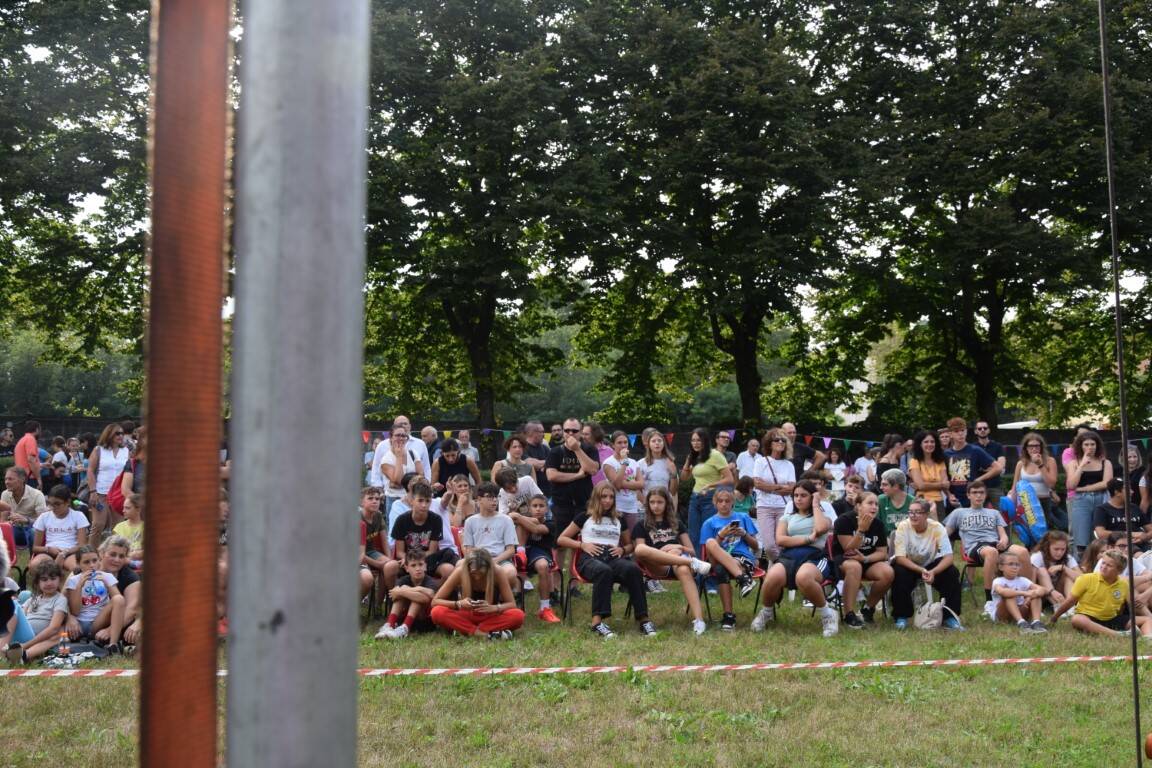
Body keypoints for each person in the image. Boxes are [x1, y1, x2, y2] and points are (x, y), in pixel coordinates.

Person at [557, 480, 656, 638]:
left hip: (612, 557)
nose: (608, 500)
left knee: (633, 570)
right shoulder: (584, 517)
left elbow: (630, 544)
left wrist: (623, 549)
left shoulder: (619, 519)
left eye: (611, 497)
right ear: (596, 497)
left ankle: (644, 620)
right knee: (604, 571)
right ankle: (597, 622)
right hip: (589, 559)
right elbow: (561, 539)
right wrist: (582, 545)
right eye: (604, 496)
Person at [751, 480, 838, 637]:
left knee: (804, 577)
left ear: (812, 497)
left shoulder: (824, 517)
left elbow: (820, 529)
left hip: (815, 557)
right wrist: (808, 539)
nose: (798, 499)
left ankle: (828, 614)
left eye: (803, 495)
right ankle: (767, 612)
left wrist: (816, 504)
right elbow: (781, 540)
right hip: (789, 556)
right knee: (772, 577)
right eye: (796, 495)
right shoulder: (787, 518)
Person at [630, 487, 711, 635]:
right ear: (647, 504)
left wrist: (675, 546)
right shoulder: (641, 525)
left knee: (683, 568)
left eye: (660, 502)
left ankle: (699, 620)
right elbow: (640, 554)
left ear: (667, 503)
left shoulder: (676, 523)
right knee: (640, 549)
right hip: (657, 564)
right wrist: (664, 552)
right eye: (652, 502)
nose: (656, 506)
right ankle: (690, 563)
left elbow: (691, 551)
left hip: (679, 563)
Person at [890, 498, 963, 630]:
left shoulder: (937, 527)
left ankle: (949, 616)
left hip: (931, 564)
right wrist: (921, 570)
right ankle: (901, 616)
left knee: (951, 572)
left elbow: (948, 557)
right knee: (899, 572)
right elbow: (900, 557)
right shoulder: (903, 526)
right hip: (909, 563)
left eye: (918, 512)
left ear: (926, 514)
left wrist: (933, 572)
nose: (913, 516)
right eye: (911, 512)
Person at [943, 480, 1013, 608]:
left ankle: (1026, 598)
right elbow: (944, 533)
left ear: (986, 495)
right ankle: (990, 600)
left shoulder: (994, 513)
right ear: (968, 495)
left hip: (995, 544)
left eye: (981, 493)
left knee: (1021, 551)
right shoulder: (959, 512)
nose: (978, 496)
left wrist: (1004, 541)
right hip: (975, 547)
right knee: (991, 552)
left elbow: (1003, 534)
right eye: (974, 493)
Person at [1051, 550, 1152, 637]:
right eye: (1103, 563)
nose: (1103, 567)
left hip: (1112, 618)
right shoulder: (1086, 579)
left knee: (1147, 620)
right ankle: (1117, 635)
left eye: (1109, 565)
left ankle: (1148, 638)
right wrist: (1054, 618)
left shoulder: (1124, 584)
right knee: (1077, 619)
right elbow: (1069, 601)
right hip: (1089, 618)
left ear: (1119, 570)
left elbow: (1133, 605)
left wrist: (1143, 599)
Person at [429, 549, 525, 639]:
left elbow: (512, 604)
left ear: (489, 569)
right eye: (474, 573)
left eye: (482, 574)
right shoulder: (460, 571)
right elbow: (435, 601)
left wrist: (494, 608)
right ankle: (483, 634)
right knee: (437, 612)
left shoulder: (498, 572)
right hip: (465, 615)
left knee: (518, 615)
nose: (478, 577)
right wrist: (458, 604)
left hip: (490, 617)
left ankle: (464, 631)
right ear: (468, 568)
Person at [545, 418, 600, 573]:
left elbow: (593, 469)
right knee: (559, 545)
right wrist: (576, 475)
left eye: (574, 431)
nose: (570, 433)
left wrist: (577, 450)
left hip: (583, 504)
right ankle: (556, 585)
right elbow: (551, 475)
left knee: (578, 544)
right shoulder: (555, 451)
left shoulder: (589, 449)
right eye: (567, 430)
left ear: (581, 432)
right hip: (561, 504)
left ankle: (574, 582)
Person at [831, 491, 893, 629]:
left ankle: (867, 609)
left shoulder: (878, 524)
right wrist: (861, 531)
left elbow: (882, 553)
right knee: (855, 567)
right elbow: (849, 550)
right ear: (858, 505)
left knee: (887, 572)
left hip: (867, 560)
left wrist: (865, 558)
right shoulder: (844, 520)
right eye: (870, 503)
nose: (875, 507)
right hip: (845, 561)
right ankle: (849, 614)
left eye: (876, 504)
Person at [701, 488, 760, 630]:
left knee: (722, 570)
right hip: (717, 558)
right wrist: (721, 535)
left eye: (727, 501)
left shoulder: (743, 517)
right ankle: (744, 579)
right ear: (715, 503)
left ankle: (728, 616)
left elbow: (756, 546)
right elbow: (707, 553)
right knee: (710, 542)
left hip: (741, 558)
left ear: (733, 502)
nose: (724, 504)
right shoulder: (709, 523)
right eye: (720, 501)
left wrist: (744, 534)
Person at [387, 480, 451, 589]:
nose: (424, 505)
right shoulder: (402, 520)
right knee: (389, 567)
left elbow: (432, 550)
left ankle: (432, 595)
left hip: (428, 560)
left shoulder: (436, 519)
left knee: (448, 570)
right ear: (412, 501)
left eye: (427, 501)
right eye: (420, 500)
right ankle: (395, 596)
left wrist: (419, 561)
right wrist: (409, 560)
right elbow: (399, 552)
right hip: (407, 560)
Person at [4, 560, 69, 664]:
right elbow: (22, 617)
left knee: (14, 605)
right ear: (38, 583)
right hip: (21, 635)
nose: (49, 583)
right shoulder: (32, 599)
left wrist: (27, 645)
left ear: (59, 580)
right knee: (15, 603)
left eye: (53, 578)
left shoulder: (60, 599)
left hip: (33, 637)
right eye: (44, 579)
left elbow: (53, 628)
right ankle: (6, 650)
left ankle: (21, 655)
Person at [509, 494, 560, 622]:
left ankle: (544, 608)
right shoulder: (526, 519)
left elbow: (537, 529)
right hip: (522, 552)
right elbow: (509, 517)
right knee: (522, 525)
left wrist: (519, 517)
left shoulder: (551, 523)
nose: (538, 509)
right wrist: (521, 518)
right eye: (535, 506)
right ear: (530, 509)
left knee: (543, 566)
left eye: (541, 506)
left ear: (547, 509)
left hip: (540, 552)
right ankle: (520, 553)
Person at [64, 546, 125, 651]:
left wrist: (107, 583)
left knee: (118, 599)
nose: (92, 565)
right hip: (80, 624)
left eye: (94, 560)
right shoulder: (74, 580)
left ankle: (113, 645)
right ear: (79, 564)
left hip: (98, 622)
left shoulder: (107, 576)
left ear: (99, 560)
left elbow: (120, 601)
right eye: (86, 562)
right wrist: (79, 586)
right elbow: (75, 611)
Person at [461, 481, 519, 592]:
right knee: (459, 566)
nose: (494, 500)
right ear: (479, 499)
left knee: (510, 573)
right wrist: (479, 560)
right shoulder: (470, 521)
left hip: (500, 559)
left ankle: (501, 599)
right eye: (489, 497)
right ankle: (468, 600)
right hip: (477, 558)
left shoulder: (506, 520)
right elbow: (468, 549)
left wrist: (494, 561)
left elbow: (511, 550)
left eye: (495, 497)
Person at [1064, 429, 1112, 555]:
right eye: (1086, 444)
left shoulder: (1105, 462)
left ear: (1097, 445)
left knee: (1099, 537)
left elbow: (1106, 483)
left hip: (1101, 499)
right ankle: (1081, 568)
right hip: (1081, 501)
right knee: (1081, 539)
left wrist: (1083, 488)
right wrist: (1082, 466)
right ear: (1080, 446)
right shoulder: (1074, 463)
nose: (1090, 447)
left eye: (1092, 444)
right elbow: (1071, 485)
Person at [375, 548, 442, 639]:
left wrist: (403, 591)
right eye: (413, 565)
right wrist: (406, 592)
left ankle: (405, 629)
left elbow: (426, 598)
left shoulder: (430, 581)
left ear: (425, 566)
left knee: (416, 597)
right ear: (406, 568)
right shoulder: (404, 580)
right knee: (403, 596)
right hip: (402, 619)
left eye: (421, 564)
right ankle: (389, 625)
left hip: (424, 622)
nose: (418, 568)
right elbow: (394, 595)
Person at [752, 427, 795, 562]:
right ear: (770, 443)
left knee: (780, 544)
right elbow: (758, 484)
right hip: (764, 507)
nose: (781, 442)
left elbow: (791, 489)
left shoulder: (789, 464)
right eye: (777, 439)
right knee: (770, 545)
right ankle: (784, 567)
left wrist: (769, 487)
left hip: (784, 507)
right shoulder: (761, 462)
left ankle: (776, 576)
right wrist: (780, 487)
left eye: (783, 440)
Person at [86, 423, 130, 548]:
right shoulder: (99, 450)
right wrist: (92, 491)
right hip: (101, 492)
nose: (121, 436)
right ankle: (91, 553)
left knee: (118, 527)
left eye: (122, 433)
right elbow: (90, 470)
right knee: (98, 525)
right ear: (109, 434)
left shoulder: (125, 450)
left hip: (118, 493)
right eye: (117, 433)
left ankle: (112, 553)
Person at [943, 417, 1000, 509]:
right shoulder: (946, 454)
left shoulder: (975, 450)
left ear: (966, 431)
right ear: (951, 434)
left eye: (962, 430)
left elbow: (998, 468)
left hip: (972, 500)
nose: (960, 433)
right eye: (956, 431)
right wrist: (948, 494)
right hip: (954, 500)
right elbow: (943, 478)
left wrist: (978, 480)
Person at [30, 484, 89, 572]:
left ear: (68, 502)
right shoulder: (44, 517)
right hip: (48, 552)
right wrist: (48, 549)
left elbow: (81, 545)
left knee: (77, 568)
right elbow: (35, 547)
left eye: (57, 504)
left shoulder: (78, 516)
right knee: (35, 565)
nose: (53, 507)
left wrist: (65, 552)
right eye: (50, 504)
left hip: (71, 552)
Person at [97, 536, 142, 645]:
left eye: (121, 556)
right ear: (102, 553)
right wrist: (70, 618)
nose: (117, 560)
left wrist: (109, 630)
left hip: (111, 621)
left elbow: (131, 609)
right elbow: (65, 597)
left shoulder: (130, 577)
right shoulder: (87, 568)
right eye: (112, 554)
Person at [1011, 432, 1061, 529]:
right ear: (1025, 448)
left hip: (1043, 501)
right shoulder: (1021, 463)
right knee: (1029, 533)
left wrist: (1040, 465)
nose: (1034, 448)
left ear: (1041, 447)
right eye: (1030, 446)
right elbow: (1015, 487)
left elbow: (1051, 484)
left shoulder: (1050, 461)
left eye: (1037, 446)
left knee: (1043, 532)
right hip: (1026, 503)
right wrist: (1013, 506)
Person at [990, 550, 1048, 633]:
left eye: (1017, 564)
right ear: (1001, 567)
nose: (1015, 567)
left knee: (1036, 595)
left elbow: (1043, 590)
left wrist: (1030, 596)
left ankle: (1036, 622)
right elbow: (1002, 592)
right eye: (1011, 564)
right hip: (1003, 615)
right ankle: (1021, 623)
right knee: (1009, 594)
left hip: (1022, 611)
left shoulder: (1023, 580)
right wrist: (1024, 593)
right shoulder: (998, 581)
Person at [374, 427, 424, 519]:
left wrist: (401, 484)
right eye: (397, 435)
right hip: (394, 498)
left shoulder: (413, 453)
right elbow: (398, 480)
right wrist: (399, 457)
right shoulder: (386, 459)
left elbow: (421, 477)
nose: (401, 438)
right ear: (391, 438)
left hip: (414, 498)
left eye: (403, 436)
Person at [1093, 478, 1152, 549]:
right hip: (1117, 547)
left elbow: (1150, 529)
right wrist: (1131, 534)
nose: (1132, 492)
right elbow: (1101, 533)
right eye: (1128, 489)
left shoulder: (1134, 507)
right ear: (1117, 492)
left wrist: (1145, 537)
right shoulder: (1102, 509)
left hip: (1140, 545)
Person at [1030, 531, 1082, 611]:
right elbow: (1031, 584)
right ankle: (1059, 606)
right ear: (1047, 546)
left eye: (1063, 549)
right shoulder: (1037, 557)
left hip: (1060, 593)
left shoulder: (1068, 558)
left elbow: (1082, 579)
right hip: (1042, 594)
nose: (1059, 553)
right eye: (1056, 549)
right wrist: (1051, 591)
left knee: (1069, 574)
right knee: (1041, 571)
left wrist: (1063, 567)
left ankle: (1070, 607)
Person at [603, 431, 644, 530]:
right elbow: (617, 484)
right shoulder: (608, 463)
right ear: (613, 445)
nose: (623, 445)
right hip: (616, 506)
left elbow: (641, 484)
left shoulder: (634, 462)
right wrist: (624, 462)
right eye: (619, 443)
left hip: (632, 506)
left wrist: (624, 483)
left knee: (631, 536)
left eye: (625, 442)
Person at [1, 467, 46, 549]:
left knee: (34, 531)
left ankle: (34, 557)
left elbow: (44, 522)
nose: (6, 482)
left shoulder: (37, 495)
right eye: (6, 479)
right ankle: (6, 558)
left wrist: (27, 520)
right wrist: (6, 525)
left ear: (22, 479)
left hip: (31, 528)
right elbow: (3, 520)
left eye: (10, 479)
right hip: (14, 529)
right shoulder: (5, 494)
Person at [640, 431, 677, 504]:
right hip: (647, 505)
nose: (657, 443)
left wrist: (674, 474)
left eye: (659, 440)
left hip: (665, 505)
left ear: (663, 443)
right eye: (653, 441)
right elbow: (637, 490)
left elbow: (673, 492)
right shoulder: (641, 463)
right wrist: (646, 503)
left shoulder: (669, 462)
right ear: (648, 444)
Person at [973, 420, 1007, 500]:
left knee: (1000, 512)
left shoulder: (998, 446)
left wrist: (982, 468)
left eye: (985, 428)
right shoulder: (972, 448)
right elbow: (973, 467)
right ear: (975, 431)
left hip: (995, 486)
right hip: (978, 487)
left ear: (989, 430)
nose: (982, 430)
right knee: (977, 512)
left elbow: (1001, 467)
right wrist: (995, 469)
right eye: (979, 428)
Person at [520, 421, 552, 497]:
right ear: (532, 433)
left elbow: (555, 463)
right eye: (541, 432)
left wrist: (540, 464)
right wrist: (546, 464)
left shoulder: (545, 448)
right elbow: (530, 464)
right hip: (529, 493)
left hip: (548, 491)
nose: (543, 434)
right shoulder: (521, 448)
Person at [111, 493, 145, 566]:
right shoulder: (119, 527)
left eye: (127, 508)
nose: (123, 510)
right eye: (123, 507)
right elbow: (114, 550)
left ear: (138, 509)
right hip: (122, 563)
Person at [877, 468, 914, 533]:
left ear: (896, 486)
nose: (881, 487)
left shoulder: (913, 502)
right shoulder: (880, 500)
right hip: (885, 541)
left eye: (885, 485)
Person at [13, 421, 42, 489]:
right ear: (37, 429)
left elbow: (24, 460)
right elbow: (31, 460)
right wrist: (38, 478)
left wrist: (41, 464)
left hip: (21, 476)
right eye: (40, 430)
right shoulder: (31, 439)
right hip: (29, 478)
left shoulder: (22, 440)